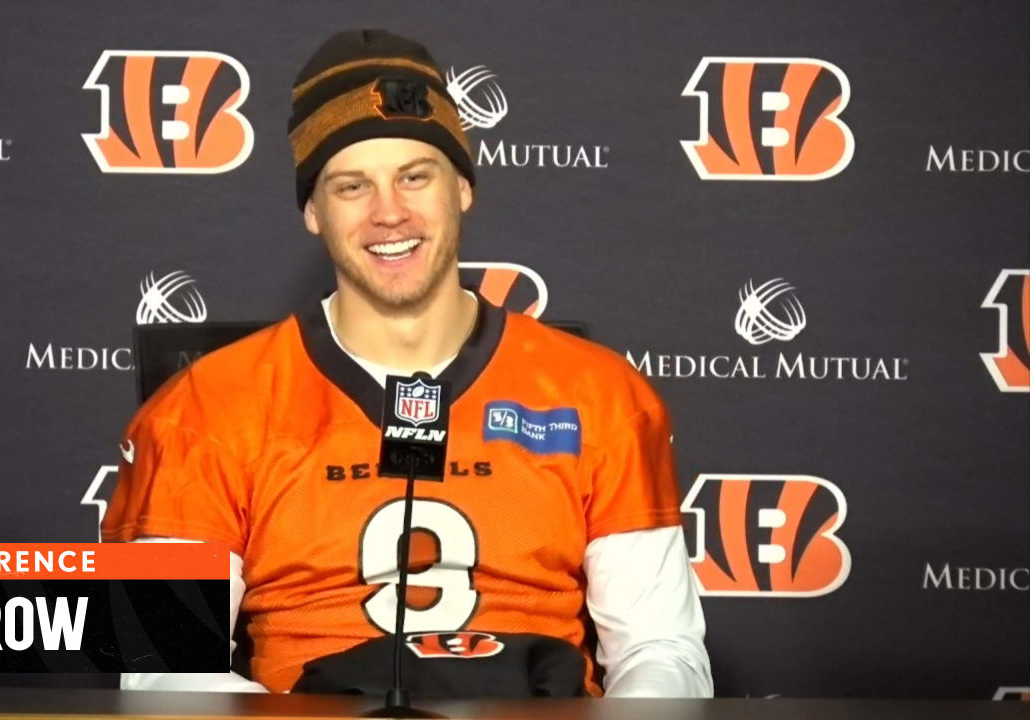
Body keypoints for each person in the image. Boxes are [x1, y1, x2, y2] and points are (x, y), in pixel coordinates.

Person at [103, 28, 712, 698]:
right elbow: (162, 667)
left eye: (415, 177)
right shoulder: (204, 408)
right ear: (312, 212)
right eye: (351, 186)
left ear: (463, 188)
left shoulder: (599, 396)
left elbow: (661, 649)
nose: (389, 213)